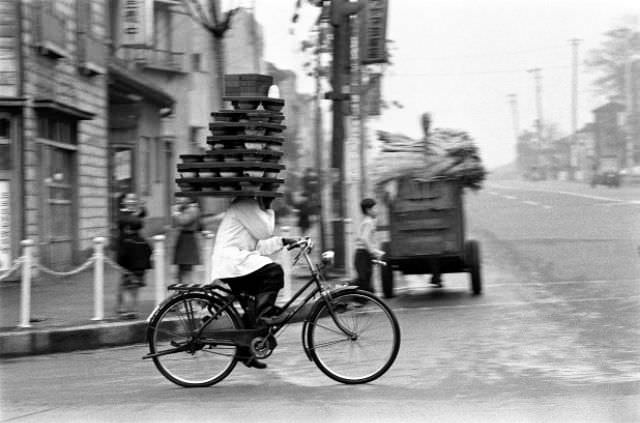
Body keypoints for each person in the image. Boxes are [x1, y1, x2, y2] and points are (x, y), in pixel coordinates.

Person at [210, 196, 297, 369]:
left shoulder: (249, 208)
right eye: (269, 197)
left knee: (251, 306)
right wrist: (268, 209)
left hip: (235, 262)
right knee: (274, 272)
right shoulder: (246, 203)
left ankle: (244, 352)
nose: (270, 201)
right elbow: (265, 231)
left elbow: (259, 245)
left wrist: (283, 241)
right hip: (232, 262)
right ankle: (265, 316)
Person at [116, 193, 152, 319]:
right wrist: (138, 214)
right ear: (123, 202)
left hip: (137, 253)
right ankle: (126, 310)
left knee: (135, 283)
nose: (132, 201)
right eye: (129, 199)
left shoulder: (133, 214)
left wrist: (141, 210)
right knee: (127, 282)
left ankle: (130, 309)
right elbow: (137, 222)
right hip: (126, 254)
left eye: (134, 199)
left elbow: (142, 216)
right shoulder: (122, 215)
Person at [354, 198, 384, 295]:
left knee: (365, 282)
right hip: (363, 255)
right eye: (375, 208)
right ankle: (344, 294)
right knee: (363, 282)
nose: (377, 210)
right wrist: (373, 252)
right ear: (368, 210)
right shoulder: (368, 222)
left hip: (363, 254)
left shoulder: (368, 221)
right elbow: (365, 239)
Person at [172, 197, 201, 284]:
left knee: (186, 269)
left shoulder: (193, 209)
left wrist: (176, 213)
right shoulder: (187, 209)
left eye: (182, 199)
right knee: (182, 269)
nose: (179, 201)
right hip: (184, 238)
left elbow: (183, 221)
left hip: (188, 240)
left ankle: (188, 292)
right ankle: (183, 291)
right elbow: (175, 224)